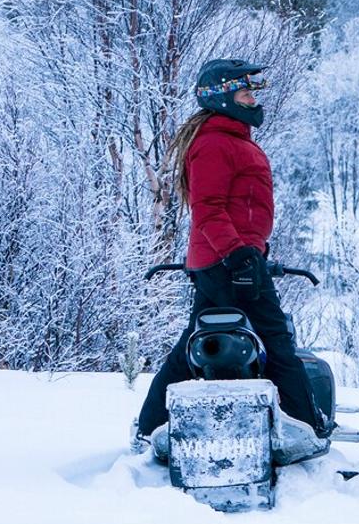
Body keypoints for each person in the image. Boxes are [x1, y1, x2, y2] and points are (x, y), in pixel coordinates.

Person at [135, 58, 328, 452]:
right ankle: (308, 428)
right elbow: (209, 207)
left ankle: (150, 425)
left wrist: (253, 248)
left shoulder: (229, 139)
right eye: (245, 92)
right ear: (223, 97)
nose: (252, 99)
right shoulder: (215, 143)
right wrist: (239, 254)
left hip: (226, 258)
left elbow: (241, 208)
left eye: (252, 91)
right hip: (227, 262)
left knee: (197, 341)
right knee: (276, 341)